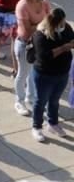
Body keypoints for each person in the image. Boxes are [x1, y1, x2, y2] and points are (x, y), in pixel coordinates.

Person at [31, 8, 73, 142]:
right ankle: (36, 127)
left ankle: (53, 123)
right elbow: (44, 56)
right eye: (61, 22)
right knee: (40, 101)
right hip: (45, 74)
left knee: (55, 100)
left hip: (62, 72)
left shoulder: (66, 28)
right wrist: (64, 48)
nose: (64, 24)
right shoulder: (41, 35)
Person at [14, 0, 50, 117]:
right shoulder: (22, 6)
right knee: (23, 73)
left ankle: (31, 97)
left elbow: (50, 19)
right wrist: (44, 25)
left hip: (41, 43)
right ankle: (19, 101)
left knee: (34, 73)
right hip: (26, 44)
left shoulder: (44, 2)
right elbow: (27, 29)